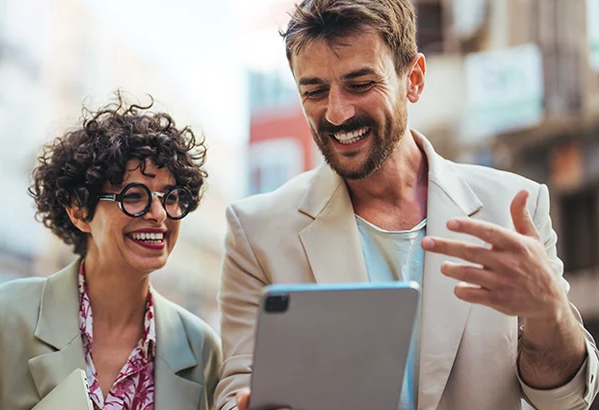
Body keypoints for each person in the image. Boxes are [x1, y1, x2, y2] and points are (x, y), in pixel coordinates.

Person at [214, 1, 599, 409]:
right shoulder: (255, 231)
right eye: (314, 91)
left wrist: (549, 312)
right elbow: (235, 389)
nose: (337, 111)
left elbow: (566, 399)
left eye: (360, 84)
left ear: (413, 79)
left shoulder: (513, 208)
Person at [0, 93, 222, 410]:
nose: (160, 214)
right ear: (79, 211)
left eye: (171, 197)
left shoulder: (201, 349)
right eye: (135, 196)